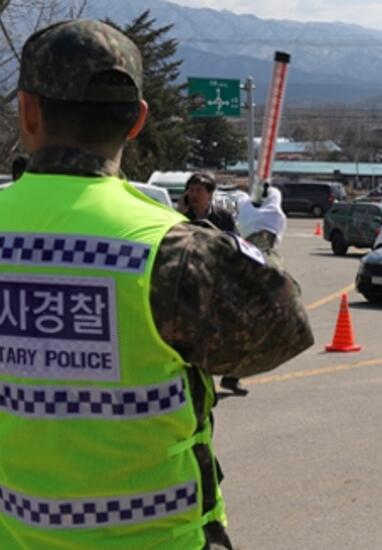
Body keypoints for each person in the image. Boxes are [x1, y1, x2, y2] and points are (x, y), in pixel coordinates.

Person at [1, 19, 313, 549]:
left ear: (27, 111)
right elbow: (282, 332)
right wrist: (262, 239)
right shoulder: (175, 250)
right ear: (137, 120)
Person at [179, 172, 247, 396]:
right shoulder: (178, 216)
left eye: (199, 190)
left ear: (210, 194)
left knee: (233, 328)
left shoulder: (223, 217)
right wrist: (179, 213)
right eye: (191, 189)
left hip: (217, 280)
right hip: (188, 281)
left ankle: (231, 377)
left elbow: (234, 242)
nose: (194, 194)